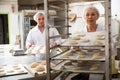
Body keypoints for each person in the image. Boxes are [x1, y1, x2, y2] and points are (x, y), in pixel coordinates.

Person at [72, 6, 104, 80]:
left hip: (100, 63)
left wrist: (103, 50)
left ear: (97, 16)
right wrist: (75, 48)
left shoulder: (103, 31)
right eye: (87, 15)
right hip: (84, 63)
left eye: (93, 14)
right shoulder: (80, 33)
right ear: (84, 17)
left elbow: (111, 48)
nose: (90, 17)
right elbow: (74, 48)